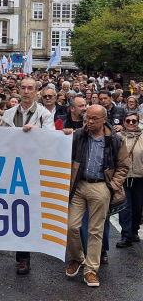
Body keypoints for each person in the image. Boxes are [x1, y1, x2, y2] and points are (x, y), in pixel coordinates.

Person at [66, 105, 129, 288]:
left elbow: (123, 167)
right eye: (87, 118)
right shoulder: (78, 135)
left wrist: (111, 187)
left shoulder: (115, 140)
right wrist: (63, 134)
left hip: (101, 186)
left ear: (104, 119)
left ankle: (91, 270)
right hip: (78, 185)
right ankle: (78, 258)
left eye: (94, 119)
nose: (90, 122)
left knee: (95, 230)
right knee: (72, 226)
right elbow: (58, 147)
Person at [1, 77, 55, 275]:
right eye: (22, 88)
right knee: (13, 210)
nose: (25, 91)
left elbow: (53, 140)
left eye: (30, 88)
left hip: (33, 168)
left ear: (36, 91)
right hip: (12, 168)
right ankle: (18, 252)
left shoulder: (43, 114)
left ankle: (24, 257)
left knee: (26, 211)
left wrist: (37, 131)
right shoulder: (8, 113)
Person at [115, 111, 143, 248]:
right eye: (128, 121)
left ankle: (134, 231)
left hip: (139, 178)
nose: (131, 123)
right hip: (123, 178)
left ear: (138, 122)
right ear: (124, 122)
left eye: (134, 121)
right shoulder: (118, 137)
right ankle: (126, 235)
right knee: (125, 207)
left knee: (137, 208)